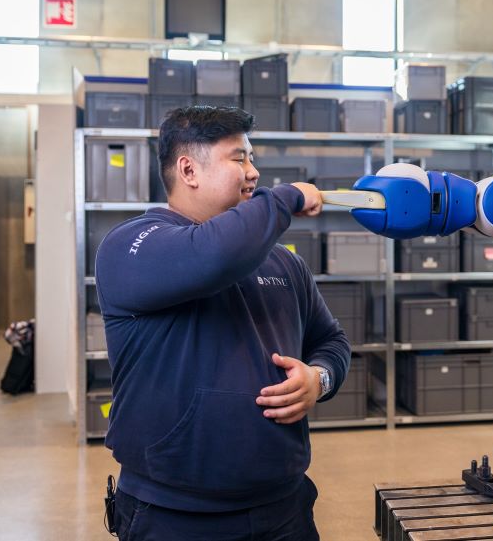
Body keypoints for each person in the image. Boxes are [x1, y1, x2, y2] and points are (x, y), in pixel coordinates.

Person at [95, 105, 351, 540]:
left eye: (252, 158)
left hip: (282, 507)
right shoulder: (131, 247)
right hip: (173, 515)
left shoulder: (283, 264)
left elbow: (332, 341)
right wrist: (286, 197)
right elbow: (212, 256)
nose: (253, 172)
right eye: (239, 158)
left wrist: (319, 379)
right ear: (189, 169)